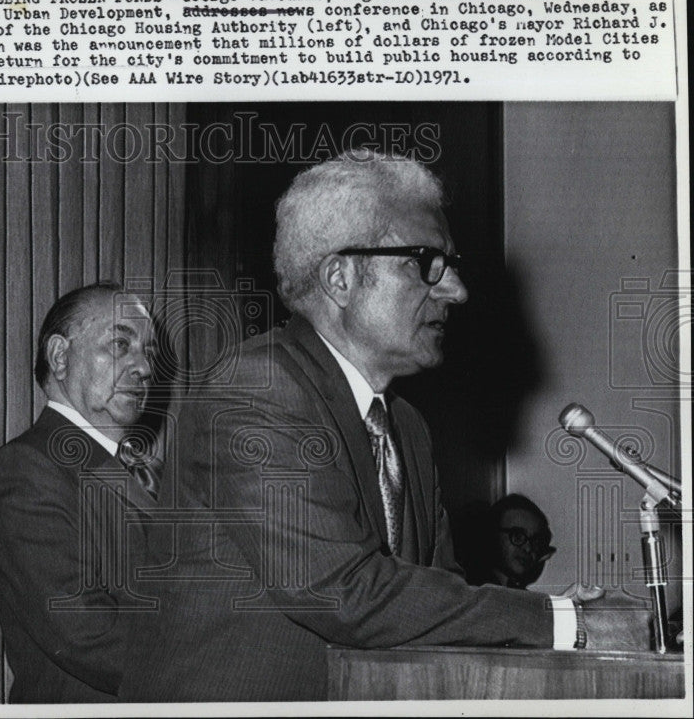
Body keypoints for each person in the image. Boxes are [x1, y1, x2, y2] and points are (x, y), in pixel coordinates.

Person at [119, 149, 651, 702]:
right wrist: (563, 621)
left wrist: (553, 612)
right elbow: (347, 593)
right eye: (425, 263)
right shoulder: (255, 392)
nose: (456, 291)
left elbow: (435, 598)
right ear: (340, 277)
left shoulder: (408, 428)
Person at [0, 283, 160, 702]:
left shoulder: (147, 471)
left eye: (147, 351)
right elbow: (87, 634)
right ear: (60, 357)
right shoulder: (24, 470)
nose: (145, 367)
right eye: (120, 344)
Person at [466, 494, 556, 589]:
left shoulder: (522, 596)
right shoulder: (473, 590)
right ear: (493, 535)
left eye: (535, 541)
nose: (528, 548)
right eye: (518, 536)